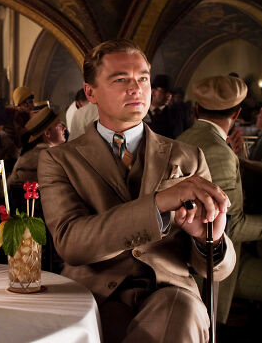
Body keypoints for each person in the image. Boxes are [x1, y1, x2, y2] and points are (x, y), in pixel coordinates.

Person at [38, 39, 235, 343]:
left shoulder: (189, 156)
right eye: (121, 80)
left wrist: (208, 238)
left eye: (143, 78)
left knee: (182, 315)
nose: (137, 88)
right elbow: (71, 243)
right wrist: (157, 205)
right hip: (95, 295)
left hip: (171, 293)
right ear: (91, 93)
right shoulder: (59, 159)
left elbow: (216, 269)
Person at [177, 76, 262, 327]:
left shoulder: (185, 137)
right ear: (237, 113)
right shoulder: (216, 149)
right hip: (216, 262)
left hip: (190, 256)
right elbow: (231, 227)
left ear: (196, 110)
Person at [9, 106, 66, 185]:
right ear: (47, 133)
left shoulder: (30, 155)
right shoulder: (49, 158)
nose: (64, 128)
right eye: (59, 125)